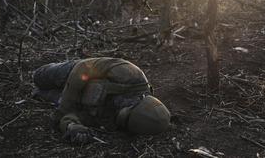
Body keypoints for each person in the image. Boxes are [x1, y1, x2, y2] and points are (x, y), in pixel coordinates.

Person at [33, 57, 171, 143]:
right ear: (138, 101)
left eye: (124, 122)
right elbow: (84, 68)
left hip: (77, 99)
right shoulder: (130, 74)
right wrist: (64, 109)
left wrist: (72, 127)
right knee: (38, 77)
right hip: (75, 74)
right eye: (125, 114)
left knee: (38, 93)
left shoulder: (112, 121)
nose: (118, 115)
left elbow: (73, 117)